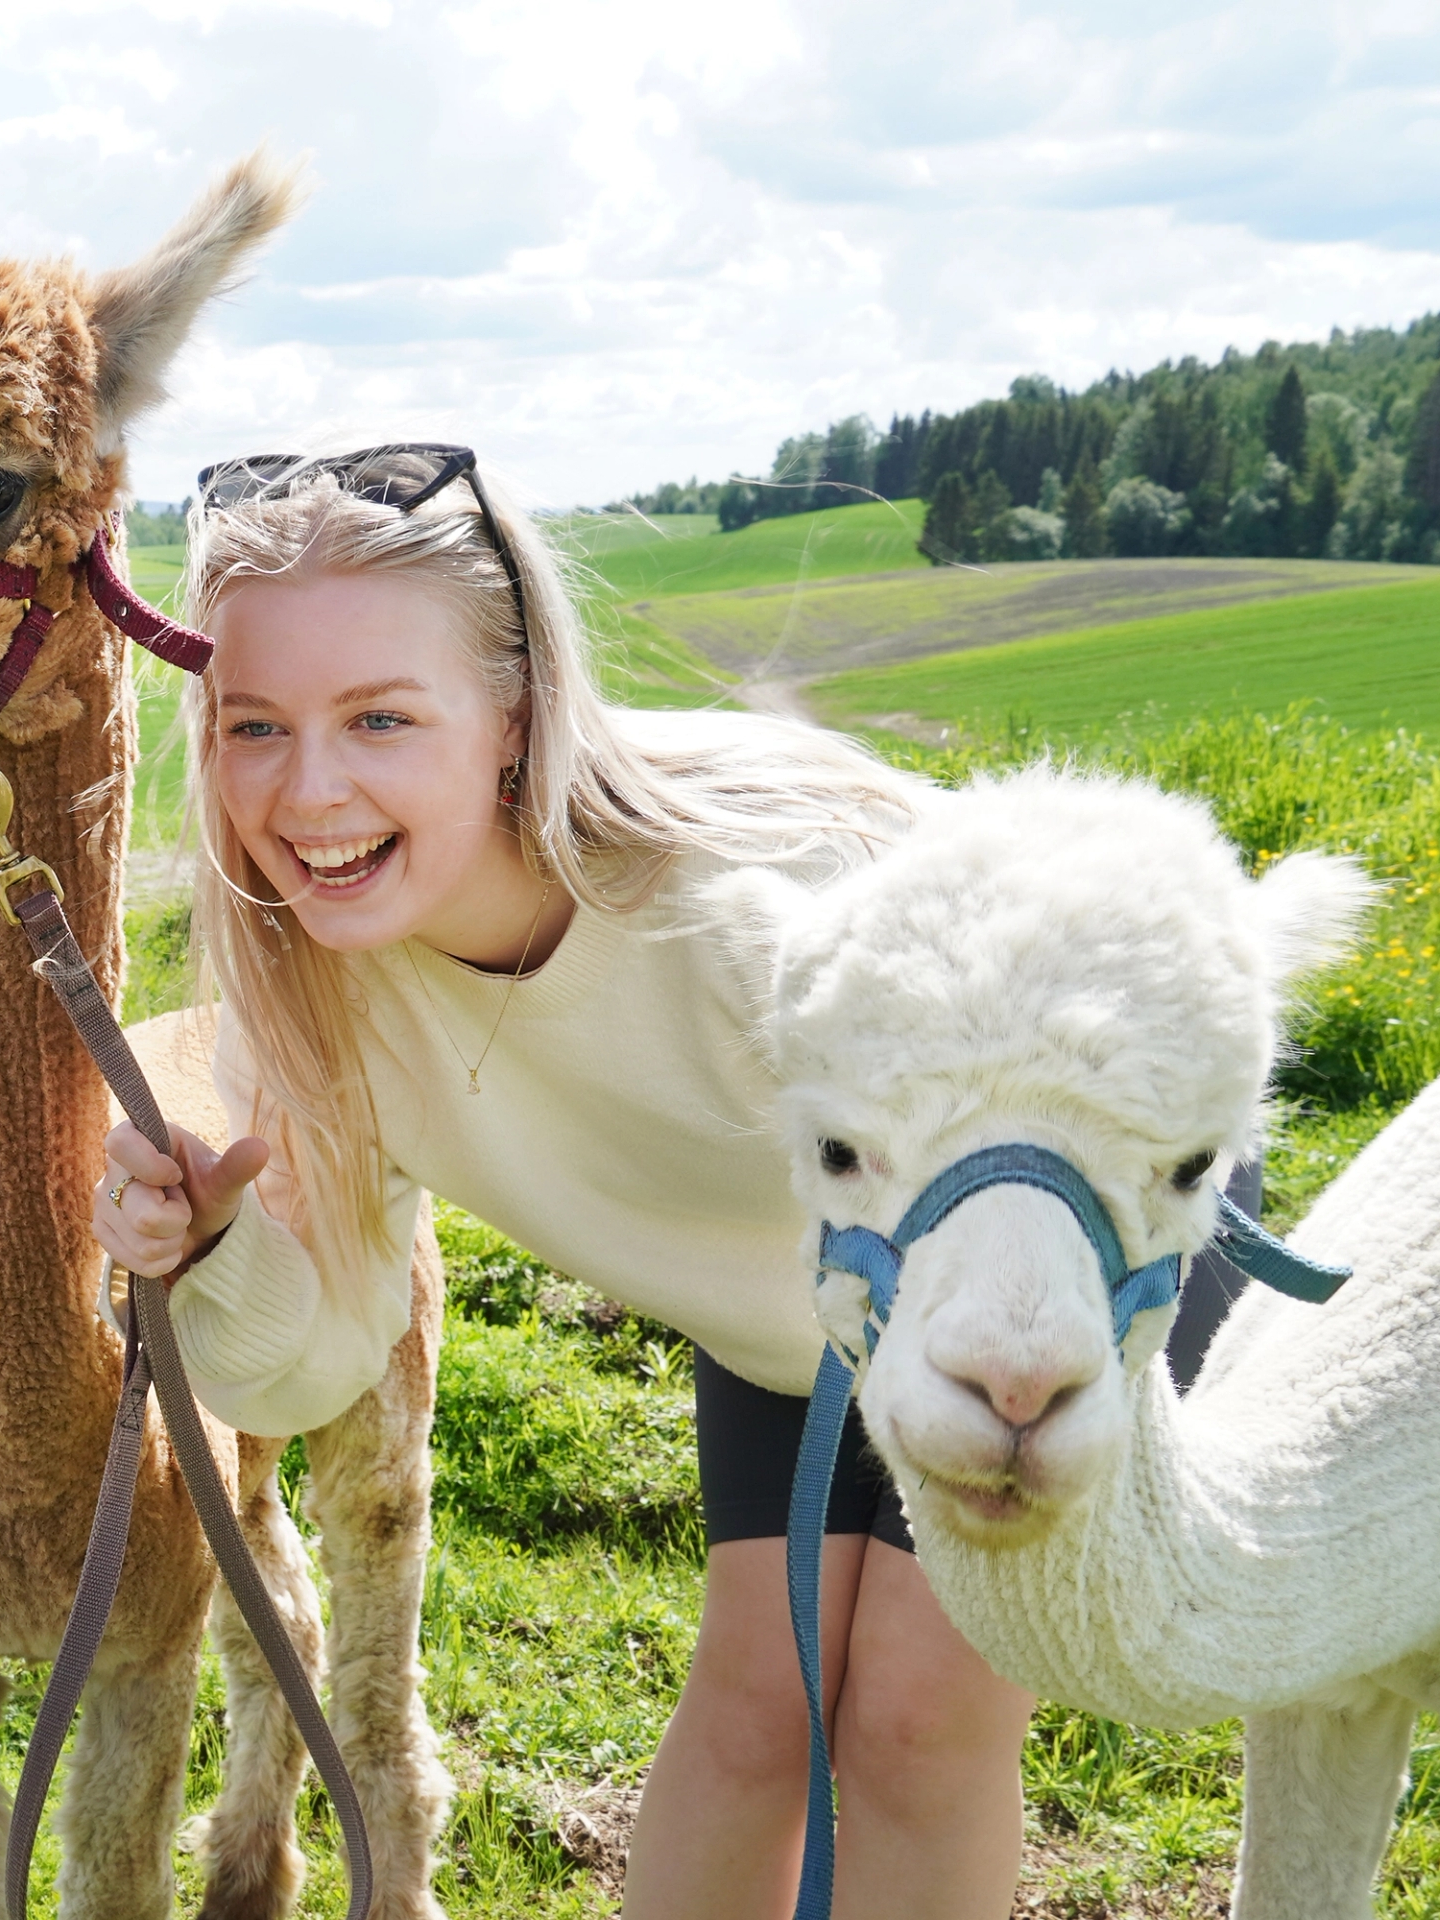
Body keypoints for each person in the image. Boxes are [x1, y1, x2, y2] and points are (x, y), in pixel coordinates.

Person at [82, 444, 1026, 1918]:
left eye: (380, 718)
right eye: (252, 724)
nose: (308, 790)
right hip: (788, 1334)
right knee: (754, 1714)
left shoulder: (762, 902)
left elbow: (1093, 1100)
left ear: (514, 722)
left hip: (1020, 1282)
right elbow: (310, 1366)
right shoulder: (321, 996)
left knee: (915, 1718)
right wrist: (211, 1254)